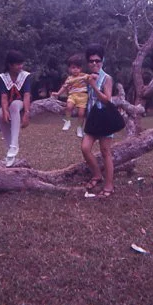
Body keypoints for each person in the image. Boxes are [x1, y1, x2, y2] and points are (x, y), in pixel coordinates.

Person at [81, 44, 115, 198]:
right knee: (85, 148)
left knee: (106, 152)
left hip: (104, 118)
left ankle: (109, 186)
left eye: (97, 60)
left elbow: (107, 99)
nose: (94, 64)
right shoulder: (86, 77)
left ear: (102, 61)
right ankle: (97, 175)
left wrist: (94, 86)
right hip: (91, 120)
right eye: (91, 61)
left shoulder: (107, 78)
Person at [0, 50, 31, 167]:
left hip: (20, 103)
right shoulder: (3, 77)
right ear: (10, 65)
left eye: (21, 63)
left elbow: (27, 95)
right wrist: (5, 111)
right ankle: (10, 150)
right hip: (9, 103)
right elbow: (4, 96)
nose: (20, 66)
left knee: (15, 105)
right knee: (1, 114)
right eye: (17, 64)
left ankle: (13, 145)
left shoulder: (25, 76)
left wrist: (27, 113)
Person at [51, 54, 88, 138]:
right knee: (69, 106)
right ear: (69, 69)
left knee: (81, 114)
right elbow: (64, 86)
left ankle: (79, 128)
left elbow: (92, 79)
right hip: (73, 95)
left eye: (78, 68)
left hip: (83, 96)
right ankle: (67, 121)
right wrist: (58, 94)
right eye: (73, 68)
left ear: (81, 68)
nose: (76, 70)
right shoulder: (69, 78)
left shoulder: (84, 76)